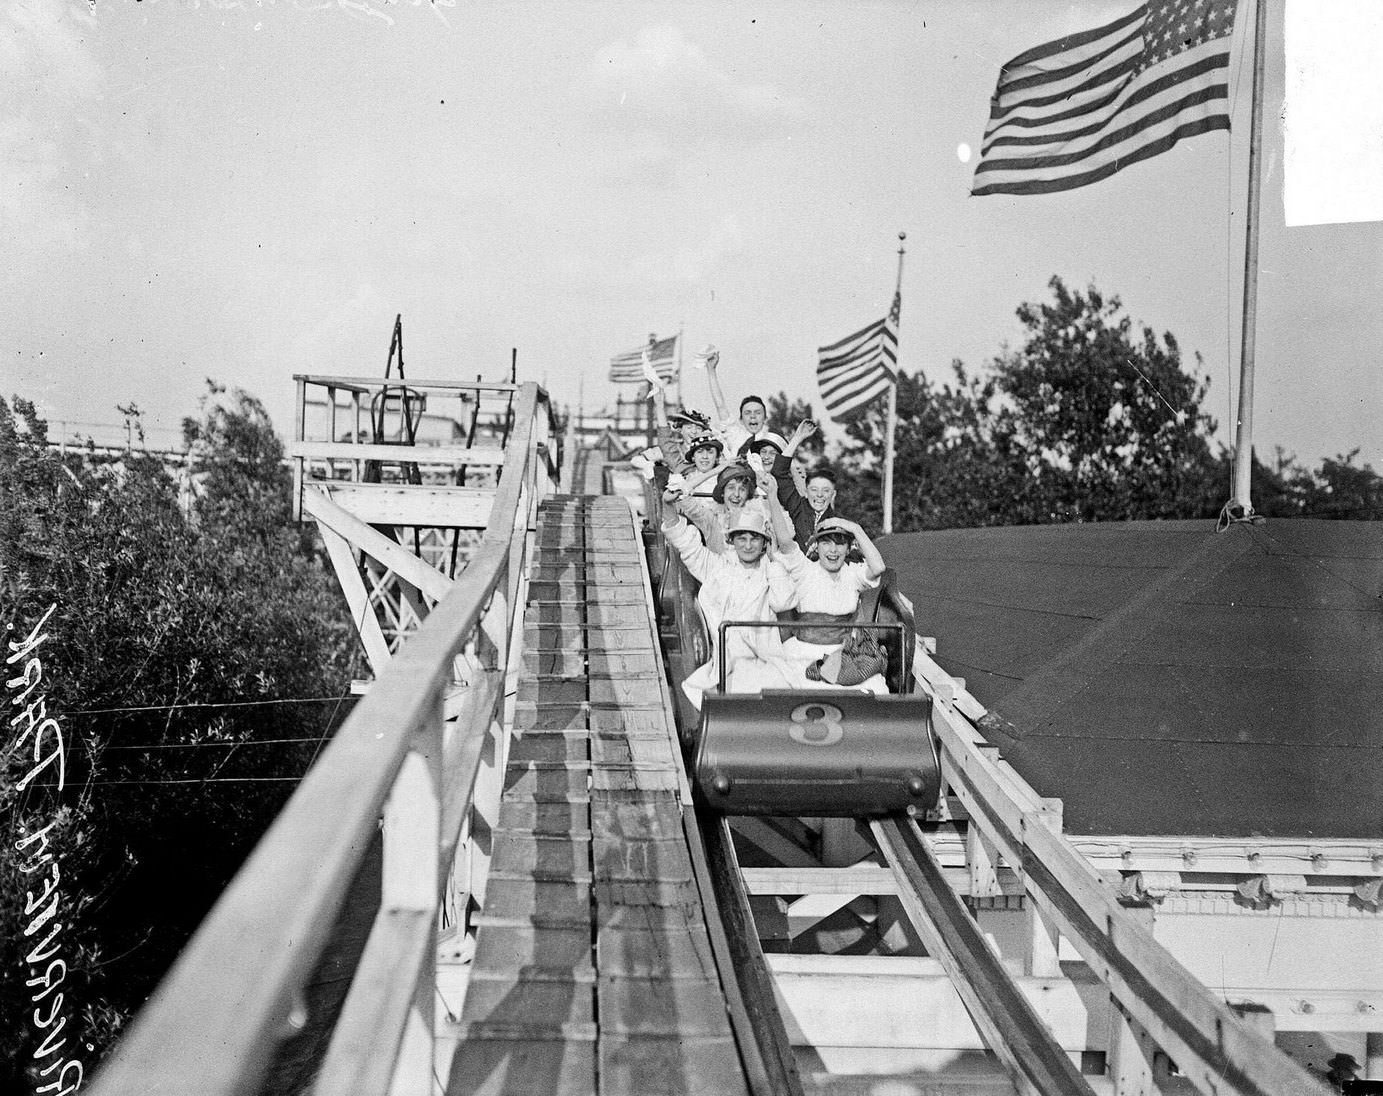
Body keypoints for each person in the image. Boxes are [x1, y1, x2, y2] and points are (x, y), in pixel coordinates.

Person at [661, 485, 796, 709]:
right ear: (732, 541)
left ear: (765, 543)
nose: (748, 545)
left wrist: (773, 561)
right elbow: (684, 540)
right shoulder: (718, 568)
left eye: (755, 539)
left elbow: (783, 602)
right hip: (728, 658)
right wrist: (668, 505)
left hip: (767, 658)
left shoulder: (772, 571)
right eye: (741, 539)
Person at [773, 509, 889, 694]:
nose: (833, 551)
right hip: (802, 652)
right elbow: (785, 542)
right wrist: (771, 494)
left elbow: (878, 567)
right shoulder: (804, 570)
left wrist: (854, 528)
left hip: (842, 655)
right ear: (816, 547)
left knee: (876, 690)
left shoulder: (853, 574)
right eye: (826, 543)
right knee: (790, 690)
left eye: (840, 544)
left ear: (849, 548)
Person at [677, 462, 771, 555]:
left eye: (742, 489)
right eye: (731, 488)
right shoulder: (712, 519)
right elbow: (681, 492)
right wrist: (717, 470)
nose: (736, 494)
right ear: (722, 492)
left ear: (748, 494)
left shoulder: (758, 518)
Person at [702, 346, 769, 454]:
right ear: (741, 419)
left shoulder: (773, 440)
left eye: (758, 413)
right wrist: (711, 370)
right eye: (747, 413)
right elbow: (720, 405)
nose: (753, 416)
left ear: (765, 418)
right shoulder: (735, 435)